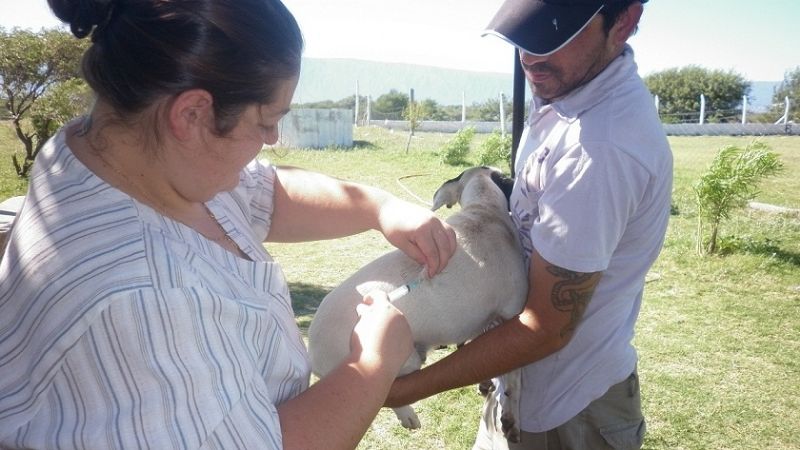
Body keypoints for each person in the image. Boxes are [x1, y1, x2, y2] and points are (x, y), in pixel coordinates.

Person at [0, 0, 457, 448]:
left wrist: (379, 207)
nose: (272, 140)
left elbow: (266, 193)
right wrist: (372, 364)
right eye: (265, 122)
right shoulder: (144, 302)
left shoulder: (115, 151)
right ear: (193, 114)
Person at [385, 0, 673, 448]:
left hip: (570, 411)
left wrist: (400, 388)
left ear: (624, 22)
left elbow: (546, 326)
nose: (531, 58)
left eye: (554, 36)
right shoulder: (564, 92)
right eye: (522, 36)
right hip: (519, 389)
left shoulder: (602, 147)